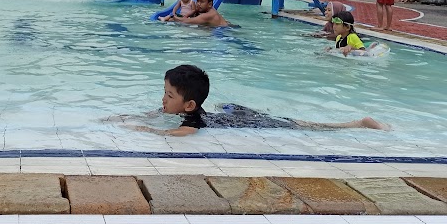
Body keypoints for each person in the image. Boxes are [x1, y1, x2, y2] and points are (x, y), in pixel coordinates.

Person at [127, 64, 389, 137]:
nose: (163, 99)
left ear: (190, 106)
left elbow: (178, 133)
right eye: (164, 92)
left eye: (169, 95)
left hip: (252, 122)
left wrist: (146, 130)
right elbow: (156, 113)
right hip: (235, 115)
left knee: (304, 126)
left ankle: (357, 123)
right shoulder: (184, 109)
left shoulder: (193, 121)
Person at [168, 0, 233, 27]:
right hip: (223, 27)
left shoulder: (209, 15)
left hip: (223, 32)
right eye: (198, 1)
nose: (198, 4)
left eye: (201, 2)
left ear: (210, 4)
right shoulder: (209, 9)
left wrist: (173, 17)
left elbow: (185, 21)